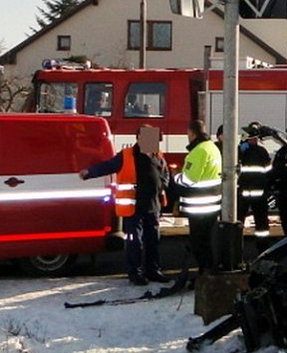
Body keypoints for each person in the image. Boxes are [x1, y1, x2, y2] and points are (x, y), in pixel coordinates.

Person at [81, 125, 170, 286]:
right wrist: (89, 172)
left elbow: (165, 174)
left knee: (153, 241)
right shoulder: (127, 155)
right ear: (139, 139)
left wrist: (163, 184)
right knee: (135, 242)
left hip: (153, 206)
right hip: (134, 208)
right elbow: (108, 166)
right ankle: (134, 273)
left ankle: (153, 271)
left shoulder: (158, 155)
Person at [176, 119, 222, 274]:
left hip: (198, 207)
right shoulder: (212, 148)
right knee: (207, 242)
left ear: (191, 132)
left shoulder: (198, 151)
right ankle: (207, 271)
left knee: (198, 243)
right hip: (213, 204)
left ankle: (205, 273)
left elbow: (189, 180)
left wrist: (175, 178)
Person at [237, 122, 273, 251]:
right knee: (261, 224)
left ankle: (235, 250)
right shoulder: (262, 152)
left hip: (244, 194)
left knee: (238, 222)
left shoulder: (241, 153)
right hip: (260, 195)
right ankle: (263, 251)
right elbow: (269, 172)